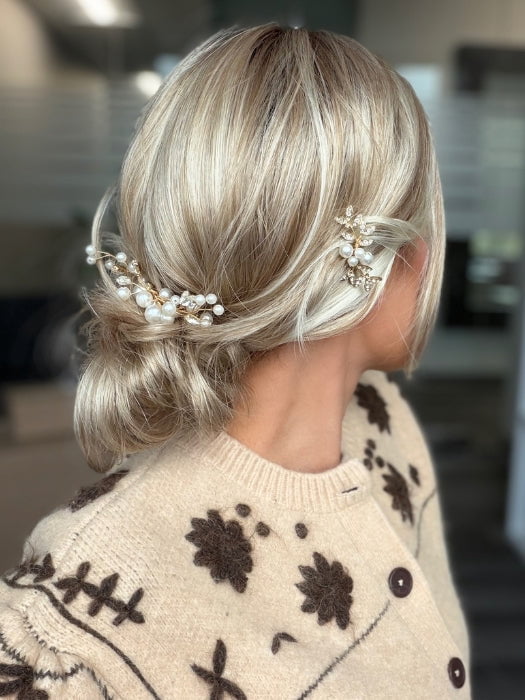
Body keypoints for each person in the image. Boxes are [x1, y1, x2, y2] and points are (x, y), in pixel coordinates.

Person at [0, 23, 471, 699]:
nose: (429, 254)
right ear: (378, 258)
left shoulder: (385, 424)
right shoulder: (74, 636)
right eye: (423, 217)